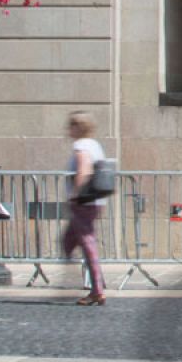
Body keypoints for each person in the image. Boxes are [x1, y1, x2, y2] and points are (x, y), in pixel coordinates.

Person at [62, 111, 108, 307]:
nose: (67, 130)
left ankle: (96, 289)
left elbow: (84, 170)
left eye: (70, 126)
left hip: (83, 202)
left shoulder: (81, 145)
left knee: (87, 244)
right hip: (94, 201)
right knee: (69, 240)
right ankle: (79, 276)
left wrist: (75, 193)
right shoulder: (94, 144)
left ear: (77, 127)